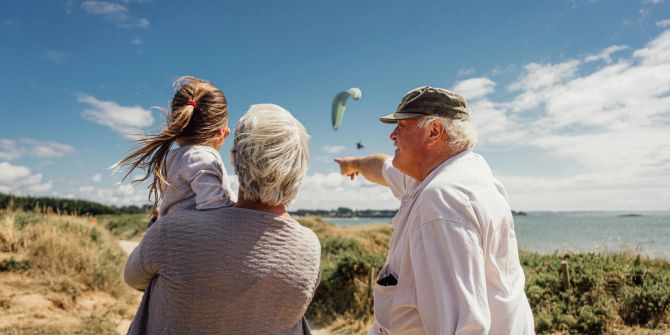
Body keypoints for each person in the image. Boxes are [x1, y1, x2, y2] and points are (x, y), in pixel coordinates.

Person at [335, 86, 535, 334]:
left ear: (434, 131)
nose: (392, 135)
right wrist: (353, 163)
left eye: (402, 126)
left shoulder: (441, 200)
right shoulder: (452, 172)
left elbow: (461, 328)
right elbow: (382, 167)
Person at [124, 103, 321, 334]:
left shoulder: (174, 229)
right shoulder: (310, 247)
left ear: (234, 160)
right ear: (298, 169)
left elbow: (133, 278)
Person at [116, 76, 235, 223]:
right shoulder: (202, 158)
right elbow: (215, 208)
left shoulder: (169, 159)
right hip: (191, 241)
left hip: (169, 234)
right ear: (222, 133)